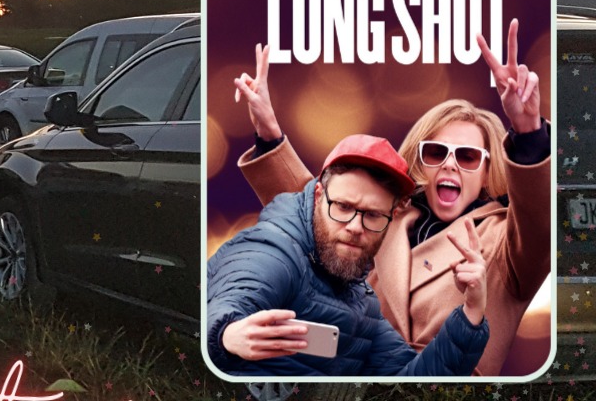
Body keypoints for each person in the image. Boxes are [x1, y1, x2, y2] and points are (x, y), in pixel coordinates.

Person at [231, 21, 550, 376]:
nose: (449, 164)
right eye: (435, 152)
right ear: (419, 159)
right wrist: (270, 134)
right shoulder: (387, 216)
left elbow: (540, 223)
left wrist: (528, 131)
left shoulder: (509, 241)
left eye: (467, 156)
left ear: (488, 169)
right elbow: (321, 208)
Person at [207, 134, 490, 377]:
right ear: (319, 195)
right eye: (343, 207)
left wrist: (472, 313)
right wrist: (225, 335)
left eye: (372, 215)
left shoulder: (361, 302)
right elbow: (232, 295)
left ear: (391, 218)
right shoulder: (275, 252)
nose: (356, 227)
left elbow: (413, 378)